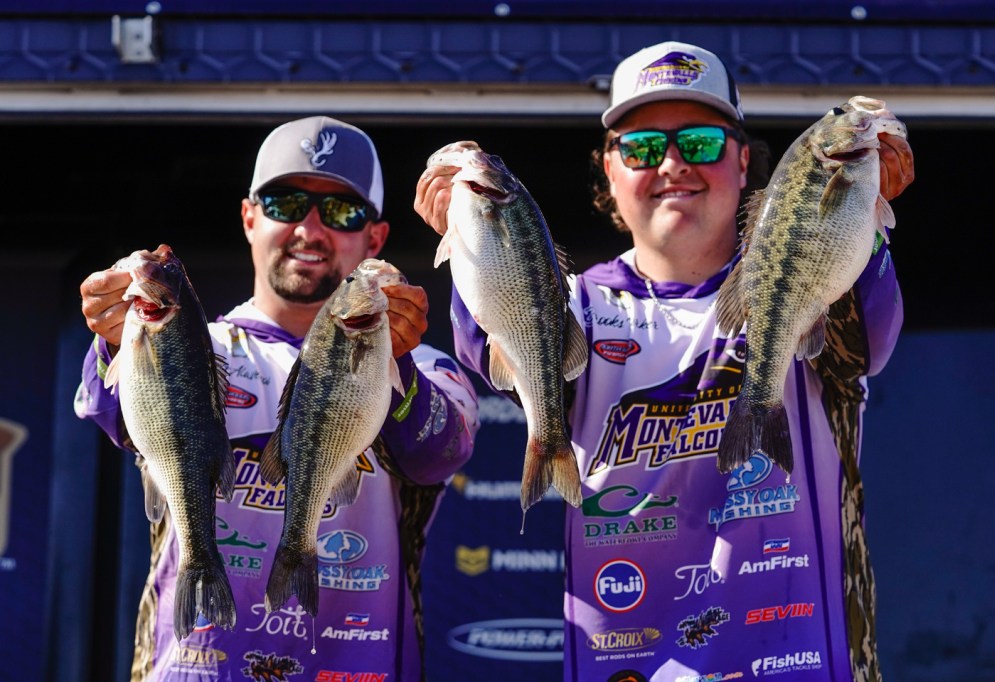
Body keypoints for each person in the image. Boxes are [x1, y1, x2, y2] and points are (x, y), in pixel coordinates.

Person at [415, 42, 914, 682]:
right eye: (643, 147)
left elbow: (869, 339)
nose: (673, 164)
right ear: (610, 170)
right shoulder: (573, 306)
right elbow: (489, 354)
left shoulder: (802, 275)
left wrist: (862, 215)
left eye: (700, 142)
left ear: (743, 160)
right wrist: (470, 238)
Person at [75, 116, 480, 681]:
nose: (309, 229)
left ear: (375, 238)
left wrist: (398, 364)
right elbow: (108, 412)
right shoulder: (192, 344)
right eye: (286, 204)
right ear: (249, 217)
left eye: (341, 211)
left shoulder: (425, 366)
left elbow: (440, 454)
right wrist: (115, 340)